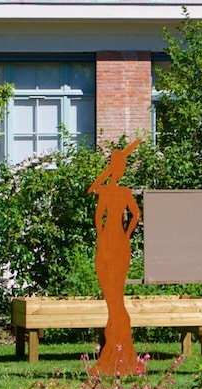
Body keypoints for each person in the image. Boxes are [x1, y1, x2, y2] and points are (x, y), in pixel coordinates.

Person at [87, 140, 144, 376]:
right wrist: (127, 234)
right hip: (120, 243)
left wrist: (103, 238)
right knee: (115, 299)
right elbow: (136, 215)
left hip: (109, 243)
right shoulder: (123, 192)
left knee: (114, 300)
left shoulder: (108, 192)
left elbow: (99, 216)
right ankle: (120, 351)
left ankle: (118, 354)